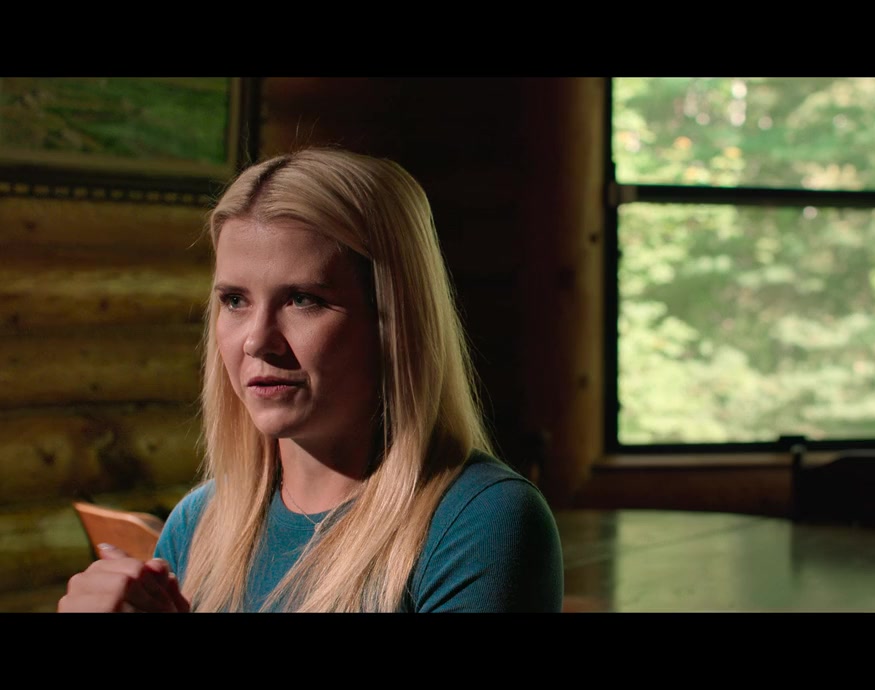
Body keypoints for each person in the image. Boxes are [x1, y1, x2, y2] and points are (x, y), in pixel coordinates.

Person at [57, 147, 564, 612]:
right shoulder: (199, 523)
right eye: (235, 300)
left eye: (303, 299)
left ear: (394, 320)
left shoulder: (481, 523)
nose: (258, 340)